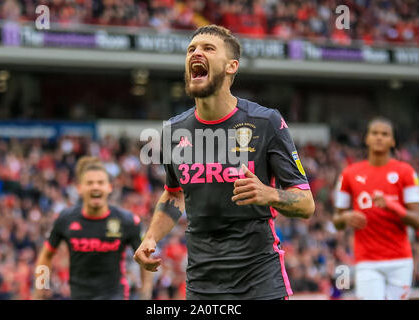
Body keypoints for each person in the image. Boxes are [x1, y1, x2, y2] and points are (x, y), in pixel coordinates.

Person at [134, 25, 315, 300]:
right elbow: (174, 193)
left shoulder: (266, 122)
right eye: (191, 49)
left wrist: (268, 194)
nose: (196, 53)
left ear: (232, 66)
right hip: (202, 285)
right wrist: (151, 238)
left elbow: (305, 204)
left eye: (208, 48)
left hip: (260, 282)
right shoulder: (173, 130)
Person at [34, 156, 153, 300]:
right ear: (79, 188)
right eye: (90, 183)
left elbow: (145, 258)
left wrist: (145, 294)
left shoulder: (127, 221)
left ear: (109, 187)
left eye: (100, 182)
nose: (95, 186)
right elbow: (46, 255)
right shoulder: (65, 219)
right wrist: (41, 288)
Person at [333, 117, 419, 300]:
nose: (379, 137)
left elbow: (417, 221)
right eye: (375, 133)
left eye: (385, 134)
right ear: (367, 138)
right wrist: (346, 217)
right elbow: (337, 221)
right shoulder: (349, 174)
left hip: (400, 261)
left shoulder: (407, 173)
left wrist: (393, 206)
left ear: (393, 141)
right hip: (367, 261)